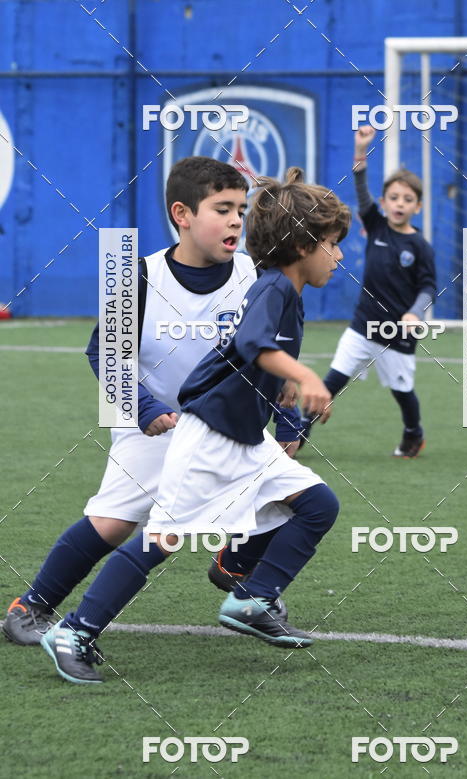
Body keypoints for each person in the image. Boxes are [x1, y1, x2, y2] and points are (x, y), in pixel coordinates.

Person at [40, 167, 351, 683]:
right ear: (301, 245)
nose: (339, 257)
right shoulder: (272, 288)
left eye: (240, 211)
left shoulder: (273, 285)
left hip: (247, 438)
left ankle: (251, 599)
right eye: (333, 245)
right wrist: (300, 374)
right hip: (207, 436)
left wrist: (286, 396)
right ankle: (74, 630)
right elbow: (253, 345)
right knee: (155, 540)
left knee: (319, 504)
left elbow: (254, 358)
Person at [4, 156, 300, 646]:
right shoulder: (139, 278)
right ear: (182, 215)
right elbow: (104, 353)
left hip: (230, 425)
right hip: (155, 426)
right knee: (113, 523)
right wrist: (143, 409)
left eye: (241, 209)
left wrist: (289, 421)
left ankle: (237, 571)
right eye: (222, 208)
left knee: (296, 500)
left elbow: (275, 355)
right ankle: (30, 606)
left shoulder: (255, 277)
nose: (235, 220)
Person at [300, 125, 436, 458]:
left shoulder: (419, 245)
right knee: (332, 381)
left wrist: (414, 312)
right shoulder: (375, 224)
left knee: (403, 392)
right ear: (384, 202)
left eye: (408, 199)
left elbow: (429, 286)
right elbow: (360, 188)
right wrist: (361, 151)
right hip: (362, 325)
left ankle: (413, 434)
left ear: (417, 206)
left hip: (395, 333)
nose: (399, 204)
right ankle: (296, 434)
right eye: (394, 197)